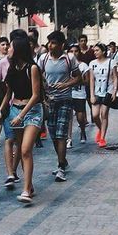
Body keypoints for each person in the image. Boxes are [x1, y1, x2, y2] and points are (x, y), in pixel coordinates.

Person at [0, 37, 43, 204]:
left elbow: (36, 95)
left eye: (10, 47)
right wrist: (2, 111)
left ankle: (25, 190)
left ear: (18, 49)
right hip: (15, 109)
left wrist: (21, 115)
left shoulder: (32, 68)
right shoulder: (12, 68)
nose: (8, 49)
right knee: (21, 148)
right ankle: (28, 185)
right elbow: (8, 93)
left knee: (25, 150)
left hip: (32, 111)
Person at [38, 30, 81, 182]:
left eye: (54, 43)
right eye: (49, 43)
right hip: (50, 101)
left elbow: (78, 78)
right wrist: (44, 91)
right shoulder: (43, 58)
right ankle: (63, 161)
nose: (50, 46)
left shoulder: (69, 59)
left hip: (65, 100)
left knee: (61, 134)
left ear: (62, 45)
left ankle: (61, 167)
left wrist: (65, 84)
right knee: (53, 134)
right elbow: (38, 76)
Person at [89, 43, 118, 147]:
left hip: (108, 91)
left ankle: (102, 138)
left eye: (97, 50)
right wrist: (91, 94)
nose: (95, 52)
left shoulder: (111, 62)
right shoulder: (92, 63)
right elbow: (92, 80)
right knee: (95, 115)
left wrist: (114, 91)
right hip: (97, 92)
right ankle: (101, 129)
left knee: (104, 114)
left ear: (103, 51)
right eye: (94, 51)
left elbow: (115, 78)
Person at [67, 43, 89, 145]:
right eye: (71, 51)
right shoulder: (65, 64)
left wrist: (76, 81)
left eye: (75, 51)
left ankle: (82, 130)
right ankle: (69, 138)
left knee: (80, 117)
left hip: (79, 94)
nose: (73, 53)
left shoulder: (83, 65)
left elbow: (87, 81)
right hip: (67, 94)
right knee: (69, 117)